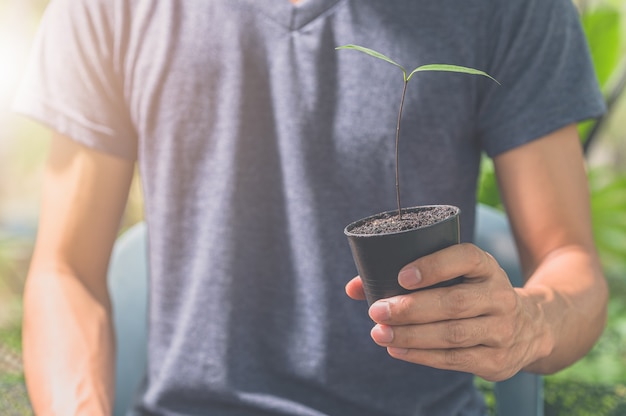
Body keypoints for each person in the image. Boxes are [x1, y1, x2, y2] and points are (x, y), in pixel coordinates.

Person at [14, 0, 608, 415]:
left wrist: (528, 323)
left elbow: (569, 261)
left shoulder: (511, 8)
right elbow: (65, 269)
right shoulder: (109, 8)